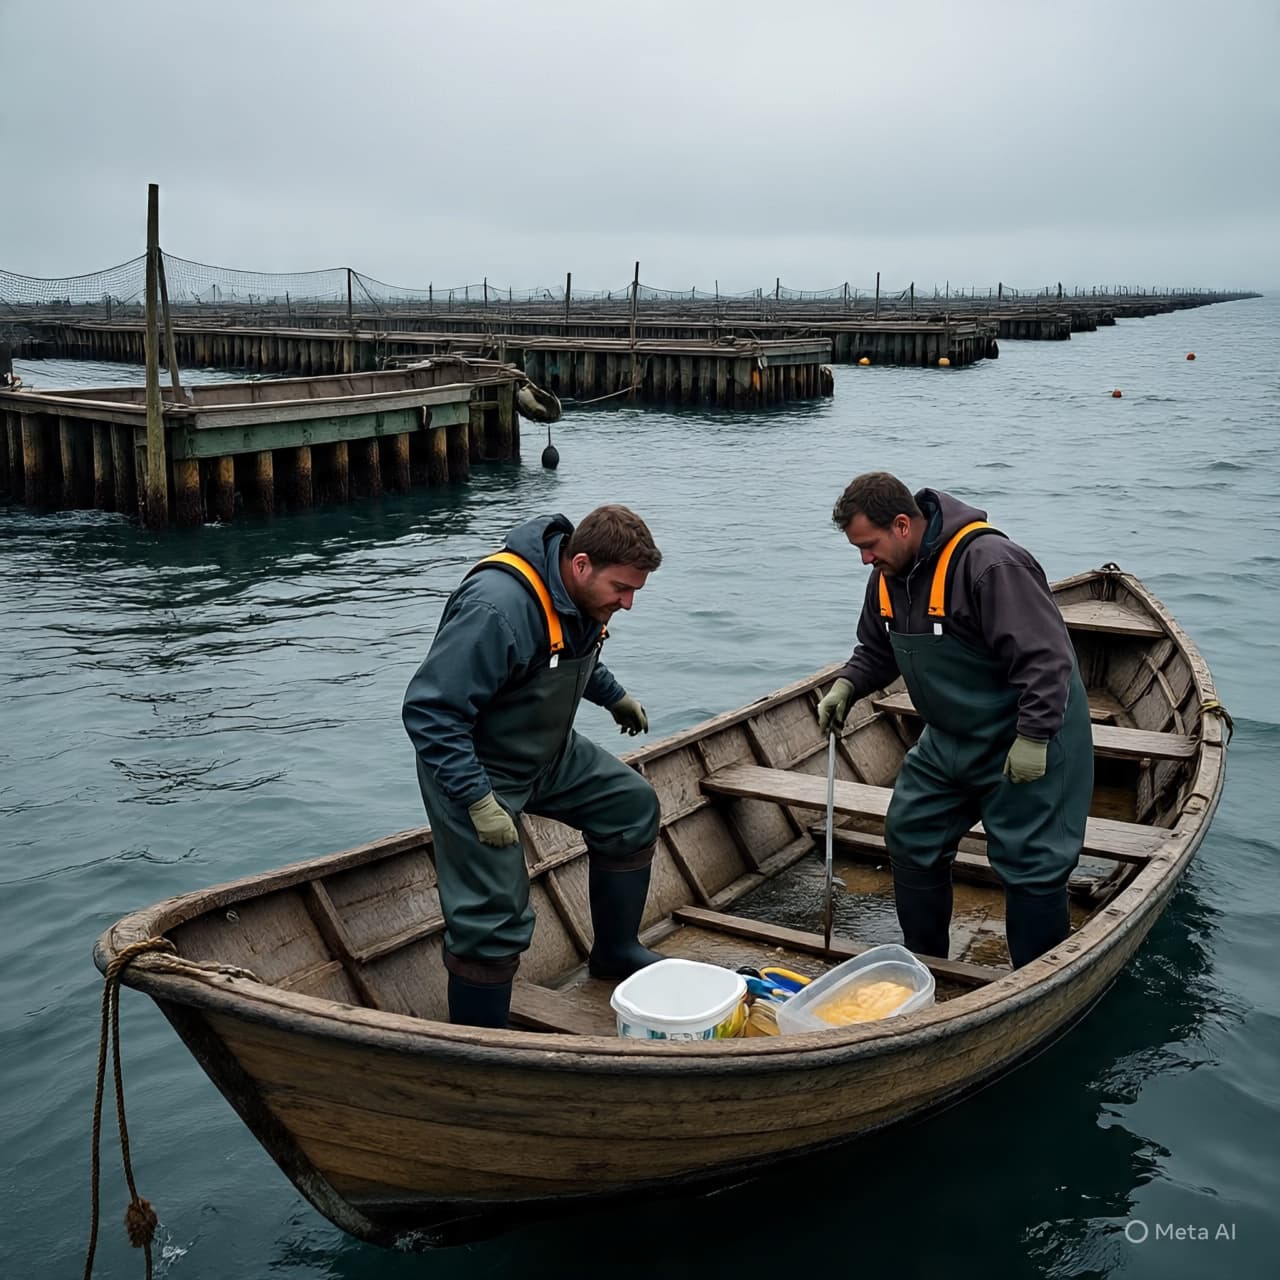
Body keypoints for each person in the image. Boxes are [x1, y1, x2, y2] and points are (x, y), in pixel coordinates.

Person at [816, 472, 1093, 968]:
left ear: (902, 524)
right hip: (950, 737)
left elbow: (1047, 659)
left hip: (1026, 735)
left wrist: (1033, 738)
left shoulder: (991, 564)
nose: (864, 559)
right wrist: (849, 684)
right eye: (858, 549)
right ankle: (925, 966)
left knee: (1031, 863)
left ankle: (1035, 978)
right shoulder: (887, 578)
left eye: (869, 545)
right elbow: (876, 650)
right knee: (910, 830)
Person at [402, 505, 664, 1028]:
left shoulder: (580, 596)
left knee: (631, 807)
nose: (628, 603)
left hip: (547, 753)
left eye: (636, 590)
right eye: (621, 588)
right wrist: (478, 799)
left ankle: (615, 952)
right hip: (474, 768)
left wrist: (613, 696)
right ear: (582, 564)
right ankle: (480, 1046)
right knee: (494, 915)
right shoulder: (496, 608)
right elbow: (430, 712)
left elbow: (563, 647)